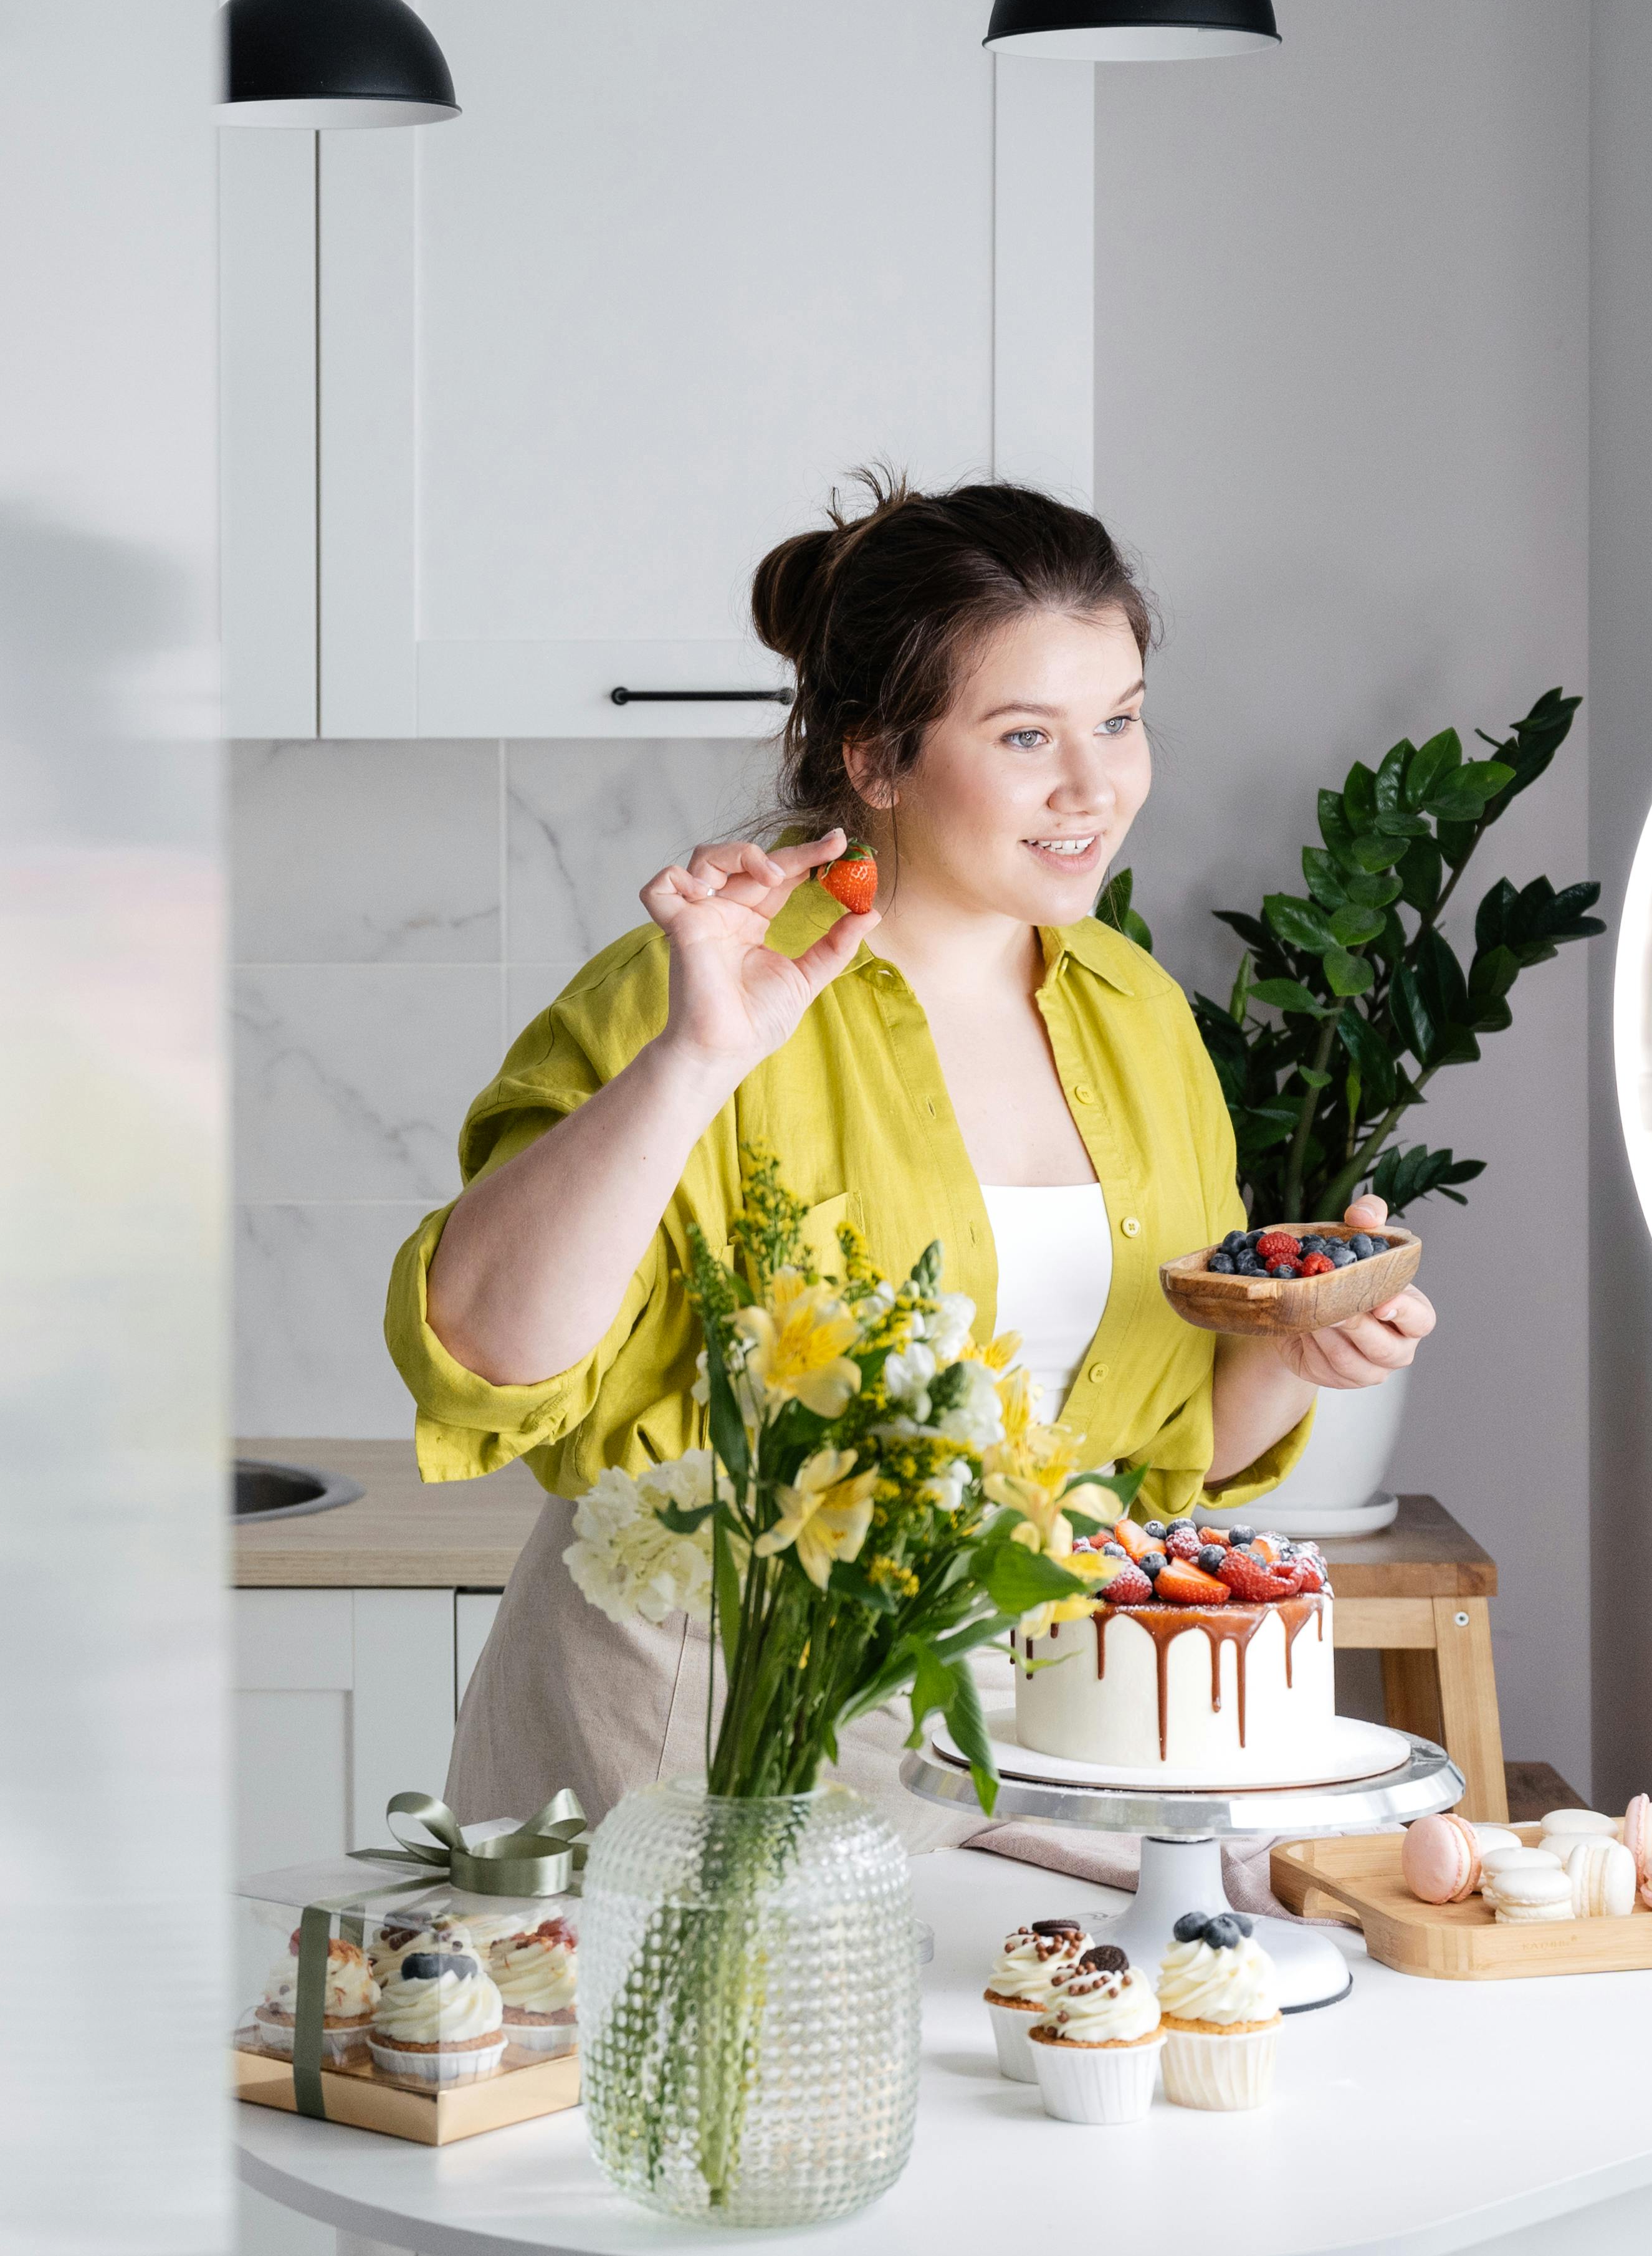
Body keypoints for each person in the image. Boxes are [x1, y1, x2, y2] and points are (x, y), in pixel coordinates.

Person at [389, 476, 1438, 1840]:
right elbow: (485, 1346)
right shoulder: (702, 991)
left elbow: (1157, 1449)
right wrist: (689, 1063)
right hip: (697, 1708)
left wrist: (1296, 1346)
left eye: (1118, 719)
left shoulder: (1134, 1015)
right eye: (1022, 734)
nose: (1093, 785)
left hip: (1016, 1717)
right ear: (875, 758)